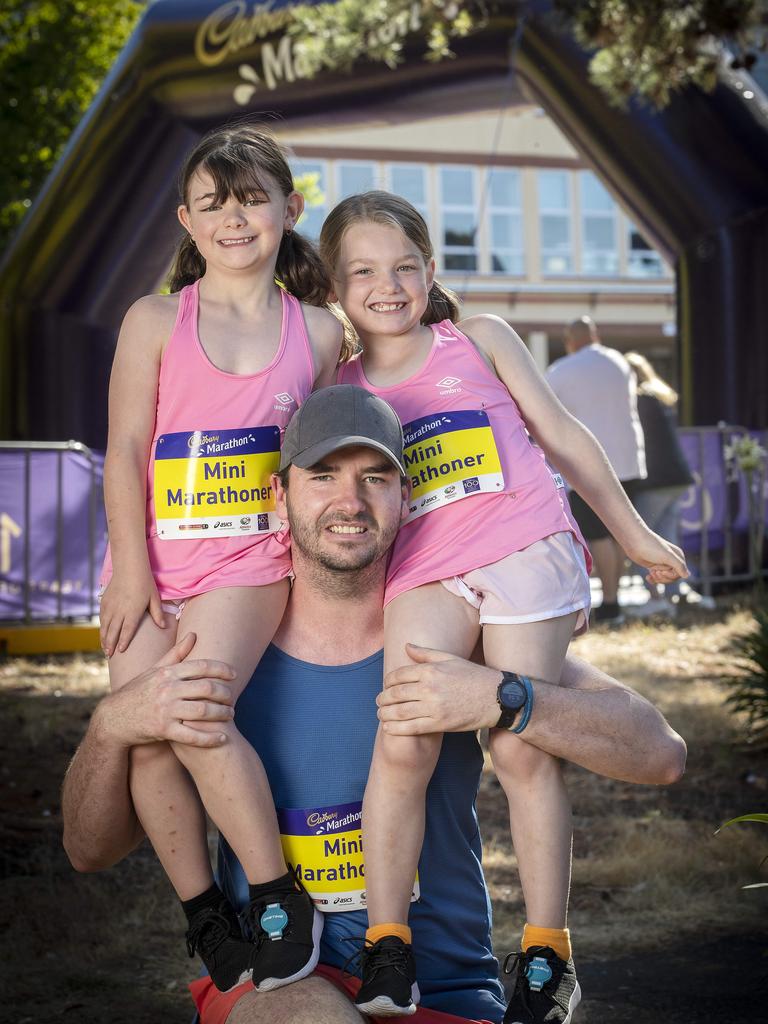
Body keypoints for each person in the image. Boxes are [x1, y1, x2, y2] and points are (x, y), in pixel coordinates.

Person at [62, 384, 688, 1024]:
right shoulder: (221, 648)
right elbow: (91, 850)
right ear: (279, 498)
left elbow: (660, 754)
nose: (349, 502)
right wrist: (111, 727)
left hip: (445, 990)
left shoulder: (456, 634)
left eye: (376, 478)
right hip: (279, 985)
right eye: (323, 476)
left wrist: (505, 698)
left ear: (406, 496)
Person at [322, 194, 687, 1023]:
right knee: (403, 731)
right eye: (365, 271)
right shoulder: (341, 381)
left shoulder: (476, 338)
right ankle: (390, 943)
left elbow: (561, 432)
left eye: (406, 266)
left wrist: (629, 534)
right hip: (427, 565)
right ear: (337, 286)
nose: (388, 285)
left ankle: (548, 955)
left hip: (525, 545)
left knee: (522, 747)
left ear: (430, 270)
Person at [97, 123, 344, 993]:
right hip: (151, 562)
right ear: (187, 221)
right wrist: (131, 571)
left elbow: (341, 446)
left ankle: (279, 896)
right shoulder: (155, 318)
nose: (234, 218)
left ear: (289, 207)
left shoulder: (318, 332)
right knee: (146, 738)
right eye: (214, 203)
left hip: (248, 561)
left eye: (251, 199)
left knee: (194, 711)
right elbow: (127, 446)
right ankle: (204, 910)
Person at [547, 316, 647, 626]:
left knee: (598, 535)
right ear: (595, 335)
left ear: (569, 340)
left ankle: (611, 602)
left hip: (588, 464)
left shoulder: (562, 370)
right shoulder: (619, 362)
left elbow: (544, 413)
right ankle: (613, 601)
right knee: (618, 534)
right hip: (628, 460)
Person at [624, 353, 713, 615]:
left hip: (655, 479)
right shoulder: (659, 397)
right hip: (676, 476)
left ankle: (655, 597)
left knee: (640, 539)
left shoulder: (635, 401)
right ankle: (678, 592)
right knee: (668, 536)